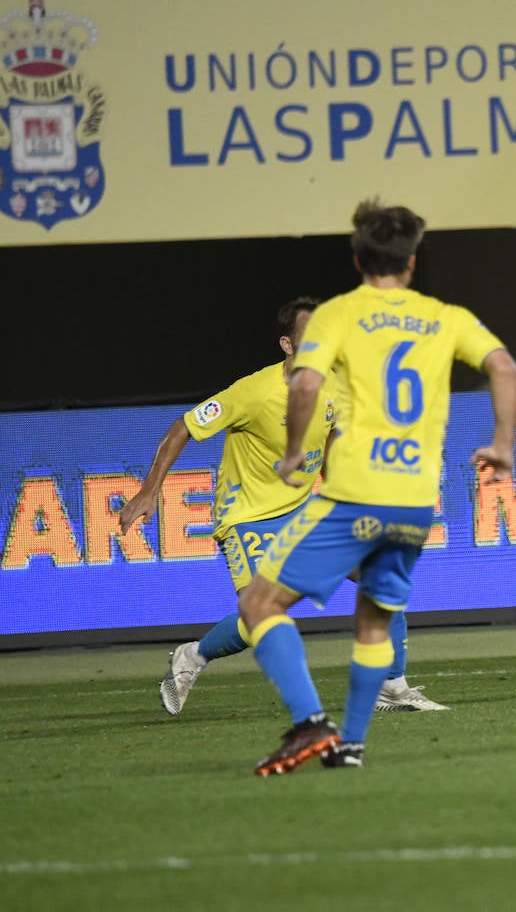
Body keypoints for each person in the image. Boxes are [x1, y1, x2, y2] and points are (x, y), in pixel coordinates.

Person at [238, 198, 516, 774]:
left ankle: (311, 723)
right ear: (413, 261)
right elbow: (505, 367)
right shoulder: (445, 316)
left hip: (356, 492)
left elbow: (306, 383)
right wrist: (503, 444)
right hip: (415, 501)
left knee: (259, 601)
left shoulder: (338, 315)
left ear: (356, 256)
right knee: (373, 620)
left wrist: (294, 452)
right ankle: (353, 745)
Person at [119, 300, 446, 717]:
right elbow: (184, 426)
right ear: (287, 344)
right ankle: (192, 657)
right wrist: (150, 491)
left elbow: (328, 439)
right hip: (247, 516)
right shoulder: (253, 393)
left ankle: (391, 687)